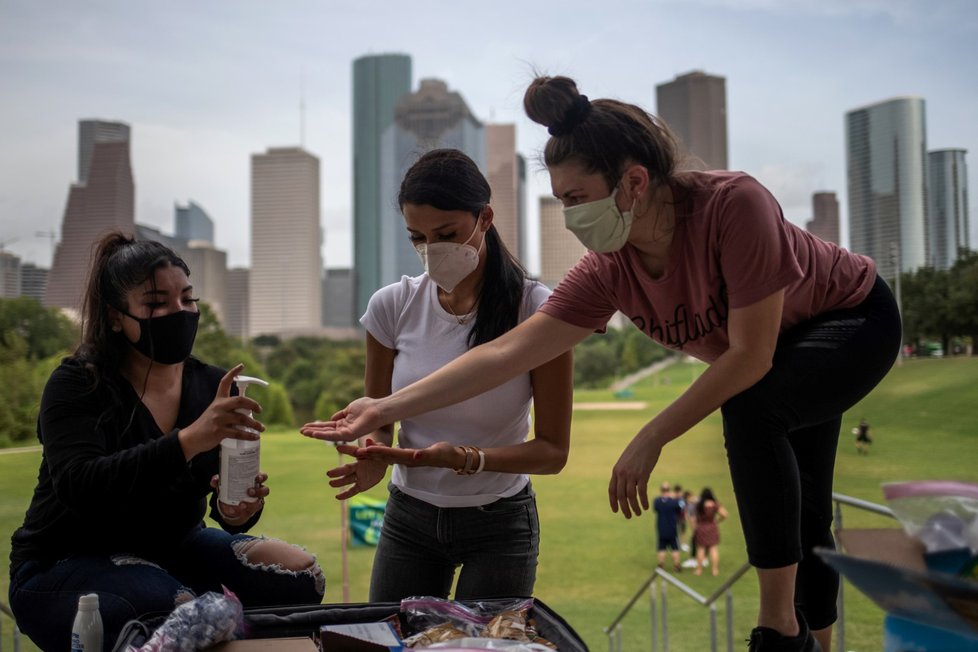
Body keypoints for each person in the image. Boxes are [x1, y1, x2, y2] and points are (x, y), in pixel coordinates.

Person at [306, 76, 902, 652]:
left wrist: (651, 437)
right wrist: (382, 408)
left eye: (576, 199)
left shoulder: (732, 205)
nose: (569, 216)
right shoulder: (607, 268)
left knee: (751, 409)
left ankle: (778, 631)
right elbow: (508, 351)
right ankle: (817, 643)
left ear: (634, 183)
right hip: (779, 358)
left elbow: (751, 355)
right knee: (806, 511)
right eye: (559, 201)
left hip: (851, 319)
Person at [8, 233, 325, 650]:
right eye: (157, 303)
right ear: (116, 316)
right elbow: (79, 484)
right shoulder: (78, 383)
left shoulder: (212, 385)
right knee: (175, 609)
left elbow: (224, 507)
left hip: (176, 545)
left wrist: (237, 508)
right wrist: (189, 440)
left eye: (187, 299)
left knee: (300, 577)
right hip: (65, 560)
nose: (178, 312)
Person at [302, 149, 573, 602]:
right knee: (390, 639)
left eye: (447, 234)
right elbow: (380, 419)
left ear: (485, 218)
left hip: (500, 521)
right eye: (418, 238)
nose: (433, 250)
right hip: (410, 518)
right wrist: (373, 452)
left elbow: (552, 452)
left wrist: (466, 459)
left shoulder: (535, 309)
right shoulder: (392, 306)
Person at [693, 488, 728, 577]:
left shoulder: (699, 505)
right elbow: (724, 514)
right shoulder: (715, 504)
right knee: (713, 549)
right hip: (712, 527)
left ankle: (699, 570)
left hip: (701, 527)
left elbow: (693, 516)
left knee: (701, 549)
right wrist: (717, 520)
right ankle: (714, 570)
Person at [652, 481, 683, 571]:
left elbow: (655, 509)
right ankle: (676, 565)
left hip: (661, 527)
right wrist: (677, 498)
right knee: (674, 547)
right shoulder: (674, 501)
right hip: (672, 527)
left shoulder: (657, 501)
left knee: (661, 547)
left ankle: (661, 564)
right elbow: (682, 506)